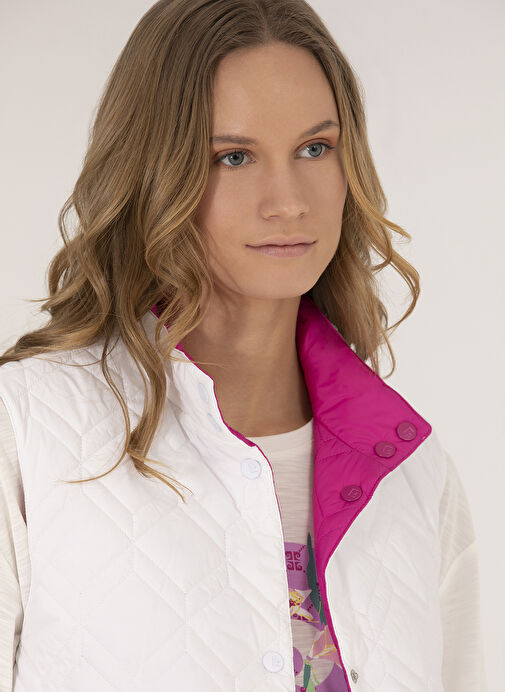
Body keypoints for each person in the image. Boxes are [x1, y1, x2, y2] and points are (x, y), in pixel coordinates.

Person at [0, 1, 488, 690]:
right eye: (233, 157)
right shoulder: (26, 428)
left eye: (315, 148)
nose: (287, 201)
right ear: (153, 173)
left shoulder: (413, 474)